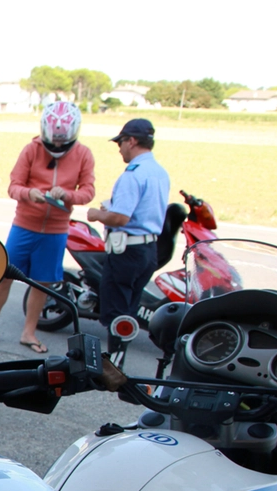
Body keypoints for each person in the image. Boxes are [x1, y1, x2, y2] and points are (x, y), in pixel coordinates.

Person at [0, 101, 95, 354]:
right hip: (24, 226)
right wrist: (30, 194)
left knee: (42, 283)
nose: (57, 147)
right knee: (4, 276)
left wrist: (69, 195)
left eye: (63, 142)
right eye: (53, 143)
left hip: (56, 230)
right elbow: (13, 186)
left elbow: (88, 191)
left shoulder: (84, 154)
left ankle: (29, 332)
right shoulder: (31, 149)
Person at [87, 118, 171, 369]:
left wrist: (97, 214)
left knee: (116, 313)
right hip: (147, 249)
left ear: (132, 141)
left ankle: (114, 366)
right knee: (129, 308)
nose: (119, 148)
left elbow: (121, 218)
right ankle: (118, 360)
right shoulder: (159, 172)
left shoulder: (132, 175)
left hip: (127, 251)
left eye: (121, 142)